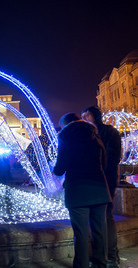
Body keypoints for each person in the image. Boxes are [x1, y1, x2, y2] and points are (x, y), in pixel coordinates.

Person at [54, 113, 111, 268]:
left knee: (81, 233)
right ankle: (100, 264)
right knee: (99, 231)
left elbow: (60, 168)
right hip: (99, 188)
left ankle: (82, 265)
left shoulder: (65, 136)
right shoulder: (95, 134)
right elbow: (104, 162)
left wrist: (55, 169)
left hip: (78, 190)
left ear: (66, 124)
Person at [82, 106, 122, 267]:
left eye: (87, 115)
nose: (84, 118)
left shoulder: (108, 132)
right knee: (97, 218)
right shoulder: (87, 134)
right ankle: (102, 256)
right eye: (82, 116)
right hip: (94, 181)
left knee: (106, 216)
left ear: (96, 116)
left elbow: (113, 158)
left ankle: (111, 256)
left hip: (105, 181)